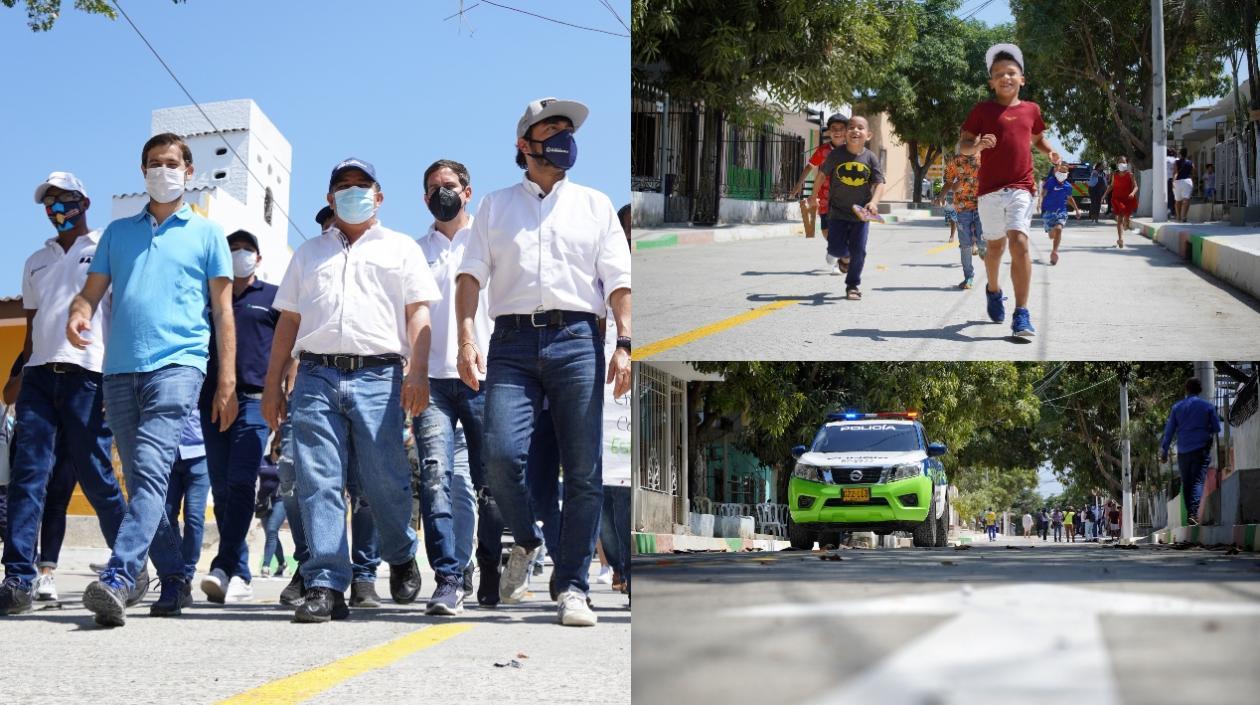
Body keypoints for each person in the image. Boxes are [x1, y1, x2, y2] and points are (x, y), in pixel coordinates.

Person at [455, 97, 631, 627]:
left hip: (578, 340)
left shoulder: (596, 205)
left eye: (568, 129)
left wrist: (626, 342)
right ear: (524, 144)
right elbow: (469, 276)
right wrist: (467, 336)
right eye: (552, 128)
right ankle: (528, 540)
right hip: (509, 344)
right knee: (502, 459)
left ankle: (572, 586)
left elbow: (618, 279)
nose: (564, 136)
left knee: (583, 473)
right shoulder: (493, 206)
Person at [68, 133, 237, 626]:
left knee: (150, 471)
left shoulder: (208, 235)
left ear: (188, 172)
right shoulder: (117, 234)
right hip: (119, 370)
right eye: (152, 164)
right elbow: (91, 294)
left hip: (180, 365)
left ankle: (121, 577)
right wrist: (78, 314)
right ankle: (176, 576)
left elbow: (224, 312)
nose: (161, 171)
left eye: (171, 163)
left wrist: (225, 378)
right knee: (142, 480)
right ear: (142, 172)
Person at [262, 157, 440, 623]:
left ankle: (400, 553)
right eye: (343, 185)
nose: (353, 192)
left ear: (379, 196)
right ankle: (326, 583)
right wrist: (272, 385)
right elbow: (289, 322)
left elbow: (418, 314)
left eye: (362, 185)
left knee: (384, 482)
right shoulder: (308, 254)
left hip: (380, 376)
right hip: (316, 376)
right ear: (329, 197)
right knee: (317, 480)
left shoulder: (402, 249)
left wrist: (417, 372)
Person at [1, 172, 134, 616]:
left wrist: (115, 379)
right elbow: (33, 326)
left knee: (95, 475)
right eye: (50, 202)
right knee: (28, 476)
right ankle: (18, 578)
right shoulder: (35, 260)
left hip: (88, 374)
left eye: (65, 199)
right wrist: (19, 372)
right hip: (39, 376)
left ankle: (129, 567)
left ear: (85, 201)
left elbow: (120, 315)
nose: (57, 208)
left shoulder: (105, 247)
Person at [413, 158, 491, 616]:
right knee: (437, 476)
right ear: (424, 198)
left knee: (484, 481)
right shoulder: (412, 250)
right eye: (433, 188)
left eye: (449, 185)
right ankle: (448, 576)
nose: (441, 193)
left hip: (482, 376)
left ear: (467, 190)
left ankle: (484, 569)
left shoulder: (488, 241)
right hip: (433, 383)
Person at [959, 43, 1062, 338]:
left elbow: (1038, 139)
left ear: (1022, 79)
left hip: (1022, 187)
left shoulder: (1032, 110)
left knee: (1018, 243)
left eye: (1011, 73)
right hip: (989, 190)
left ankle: (1022, 313)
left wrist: (1050, 152)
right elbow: (963, 144)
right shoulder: (982, 110)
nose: (1005, 77)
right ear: (991, 82)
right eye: (998, 74)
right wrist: (977, 145)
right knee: (995, 248)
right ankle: (993, 289)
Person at [199, 228, 278, 606]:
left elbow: (288, 347)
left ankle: (224, 565)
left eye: (248, 249)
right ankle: (239, 572)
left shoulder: (272, 297)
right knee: (222, 487)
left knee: (243, 480)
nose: (241, 254)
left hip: (254, 400)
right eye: (234, 249)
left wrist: (283, 395)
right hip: (212, 399)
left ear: (258, 258)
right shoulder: (212, 296)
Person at [817, 114, 886, 300]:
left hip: (861, 214)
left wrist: (874, 202)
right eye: (851, 127)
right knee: (835, 250)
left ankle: (852, 285)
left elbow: (879, 183)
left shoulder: (870, 158)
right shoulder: (836, 155)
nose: (856, 130)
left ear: (868, 135)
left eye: (860, 128)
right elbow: (822, 175)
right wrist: (811, 196)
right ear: (846, 134)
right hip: (837, 211)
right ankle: (844, 258)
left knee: (860, 251)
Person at [1160, 377, 1222, 526]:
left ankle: (1191, 513)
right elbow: (1217, 428)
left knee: (1187, 483)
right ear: (1200, 390)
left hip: (1183, 451)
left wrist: (1164, 451)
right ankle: (1192, 513)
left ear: (1186, 390)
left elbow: (1169, 432)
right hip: (1201, 450)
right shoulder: (1207, 407)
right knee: (1197, 481)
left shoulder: (1177, 407)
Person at [789, 114, 847, 261]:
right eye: (834, 128)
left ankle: (840, 253)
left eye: (841, 128)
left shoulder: (851, 151)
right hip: (824, 196)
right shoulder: (823, 151)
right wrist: (799, 183)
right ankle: (835, 248)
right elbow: (810, 166)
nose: (838, 131)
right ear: (829, 132)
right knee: (825, 230)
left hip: (844, 197)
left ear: (846, 131)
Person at [163, 409, 209, 588]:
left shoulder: (205, 382)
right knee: (166, 515)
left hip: (200, 454)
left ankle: (187, 572)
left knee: (194, 517)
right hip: (170, 455)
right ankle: (175, 568)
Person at [943, 150, 984, 288]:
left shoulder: (986, 157)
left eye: (974, 137)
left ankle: (982, 248)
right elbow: (949, 183)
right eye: (966, 136)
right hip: (962, 209)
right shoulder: (955, 161)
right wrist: (941, 196)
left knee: (983, 241)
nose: (970, 139)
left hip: (983, 206)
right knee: (965, 245)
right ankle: (968, 278)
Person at [255, 439, 286, 579]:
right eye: (277, 446)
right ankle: (282, 564)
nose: (278, 448)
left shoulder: (285, 462)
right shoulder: (263, 461)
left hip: (281, 500)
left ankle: (265, 566)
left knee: (272, 530)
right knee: (271, 534)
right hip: (264, 502)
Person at [1039, 162, 1081, 266]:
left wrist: (1076, 210)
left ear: (1067, 173)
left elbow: (1069, 198)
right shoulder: (1050, 182)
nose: (1062, 173)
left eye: (1064, 171)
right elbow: (1043, 193)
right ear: (1057, 171)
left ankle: (1054, 252)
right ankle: (1051, 232)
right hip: (1048, 212)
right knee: (1051, 235)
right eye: (1060, 170)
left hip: (1061, 211)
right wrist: (1039, 203)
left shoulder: (1068, 186)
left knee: (1058, 229)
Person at [1105, 157, 1138, 247]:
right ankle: (1120, 239)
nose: (1121, 164)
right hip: (1117, 198)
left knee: (1126, 219)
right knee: (1119, 219)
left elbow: (1136, 187)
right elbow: (1111, 186)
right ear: (1117, 164)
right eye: (1119, 162)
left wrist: (1132, 193)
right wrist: (1104, 195)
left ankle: (1127, 221)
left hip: (1128, 199)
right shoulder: (1114, 175)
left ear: (1126, 163)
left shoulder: (1130, 175)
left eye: (1123, 162)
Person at [1172, 148, 1195, 223]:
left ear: (1180, 154)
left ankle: (1178, 216)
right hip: (1187, 181)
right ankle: (1184, 216)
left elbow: (1175, 172)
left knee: (1178, 200)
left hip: (1178, 181)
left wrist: (1173, 181)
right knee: (1186, 199)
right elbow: (1194, 171)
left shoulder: (1176, 162)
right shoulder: (1190, 162)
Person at [1165, 147, 1177, 219]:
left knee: (1169, 196)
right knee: (1174, 196)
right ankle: (1173, 212)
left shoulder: (1164, 159)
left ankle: (1169, 210)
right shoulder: (1176, 160)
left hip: (1167, 180)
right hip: (1175, 179)